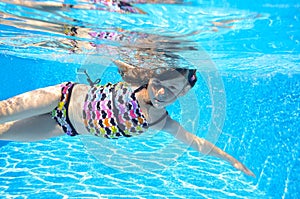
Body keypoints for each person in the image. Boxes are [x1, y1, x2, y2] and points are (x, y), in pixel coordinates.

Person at [0, 60, 255, 177]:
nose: (161, 93)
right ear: (150, 78)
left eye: (172, 89)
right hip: (61, 97)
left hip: (62, 127)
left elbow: (196, 143)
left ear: (183, 92)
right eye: (158, 84)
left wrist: (230, 160)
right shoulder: (134, 80)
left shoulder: (162, 123)